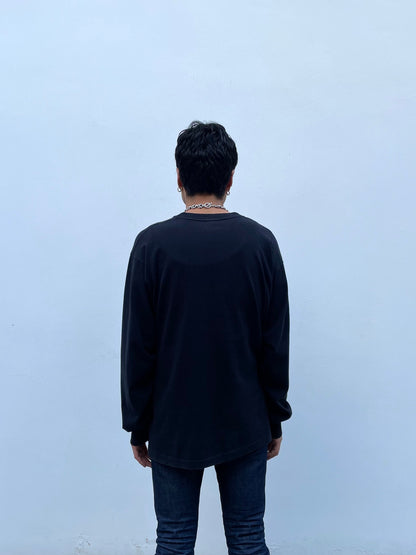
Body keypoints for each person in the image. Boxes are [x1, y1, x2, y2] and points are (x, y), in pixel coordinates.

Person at [120, 120, 292, 555]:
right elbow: (274, 343)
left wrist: (138, 424)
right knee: (248, 536)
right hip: (245, 418)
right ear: (230, 179)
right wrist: (274, 416)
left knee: (174, 539)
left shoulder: (151, 245)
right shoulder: (261, 243)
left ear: (178, 176)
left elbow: (138, 346)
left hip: (173, 422)